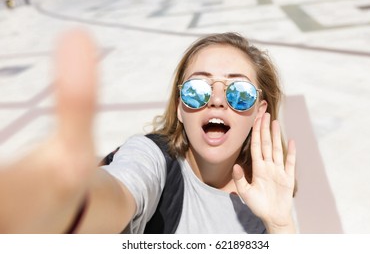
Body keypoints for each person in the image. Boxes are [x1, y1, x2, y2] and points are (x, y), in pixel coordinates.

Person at [0, 29, 297, 234]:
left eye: (239, 92)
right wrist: (71, 201)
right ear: (180, 107)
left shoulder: (268, 193)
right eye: (197, 89)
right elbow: (118, 193)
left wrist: (281, 226)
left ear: (259, 110)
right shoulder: (154, 160)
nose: (217, 100)